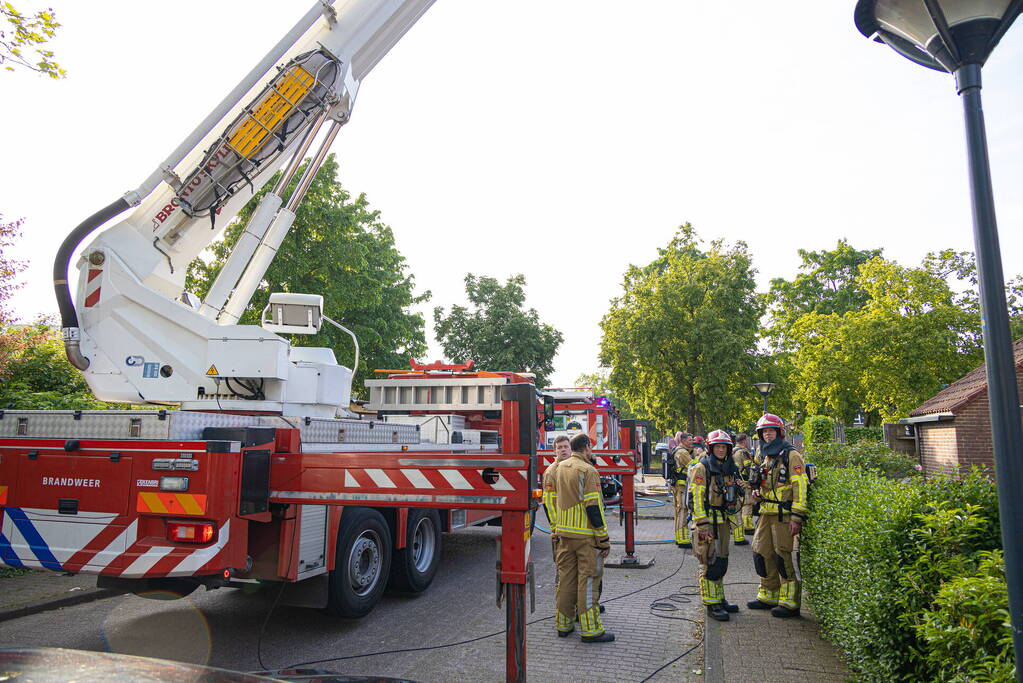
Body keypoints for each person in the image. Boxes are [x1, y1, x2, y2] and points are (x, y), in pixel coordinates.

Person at [553, 433, 614, 642]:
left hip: (564, 534)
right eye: (591, 448)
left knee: (566, 581)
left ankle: (563, 625)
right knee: (588, 581)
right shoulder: (588, 470)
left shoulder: (560, 467)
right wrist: (603, 539)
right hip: (585, 536)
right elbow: (593, 508)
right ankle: (591, 630)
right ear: (587, 447)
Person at [747, 413, 809, 618]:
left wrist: (797, 517)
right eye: (764, 432)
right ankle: (768, 595)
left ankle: (790, 602)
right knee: (761, 552)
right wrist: (755, 491)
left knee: (783, 555)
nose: (767, 435)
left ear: (779, 432)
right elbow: (760, 481)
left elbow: (800, 486)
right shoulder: (763, 455)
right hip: (765, 512)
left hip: (784, 515)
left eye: (770, 431)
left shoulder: (791, 455)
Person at [542, 435, 573, 599]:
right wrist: (555, 528)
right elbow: (547, 501)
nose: (563, 450)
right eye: (559, 447)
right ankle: (563, 607)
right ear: (554, 450)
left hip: (575, 530)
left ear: (571, 449)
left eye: (565, 446)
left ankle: (577, 606)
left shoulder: (574, 468)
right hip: (560, 531)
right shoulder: (551, 472)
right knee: (562, 571)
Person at [669, 432, 696, 548]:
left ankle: (679, 537)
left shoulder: (678, 450)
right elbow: (694, 466)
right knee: (682, 511)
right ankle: (683, 539)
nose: (692, 442)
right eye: (690, 440)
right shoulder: (682, 452)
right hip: (682, 486)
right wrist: (701, 456)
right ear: (683, 441)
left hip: (679, 485)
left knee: (679, 511)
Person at [731, 433, 755, 541]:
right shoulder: (743, 452)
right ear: (744, 441)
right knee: (747, 504)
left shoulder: (732, 451)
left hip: (735, 482)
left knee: (738, 506)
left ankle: (738, 529)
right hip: (745, 482)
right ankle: (748, 526)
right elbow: (749, 467)